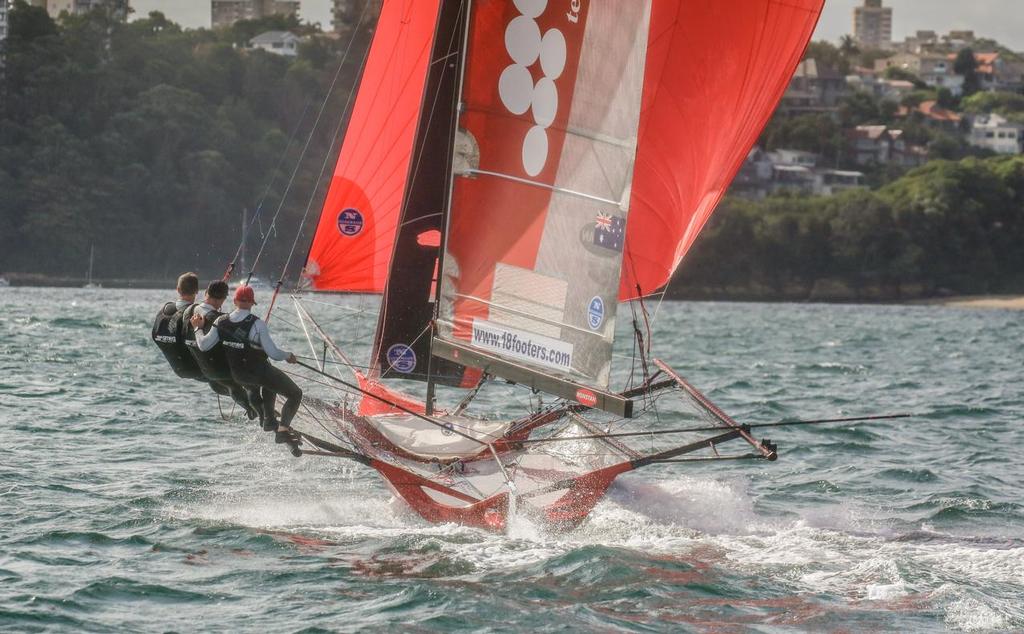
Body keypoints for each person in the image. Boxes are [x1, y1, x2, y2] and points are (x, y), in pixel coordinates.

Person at [193, 285, 303, 453]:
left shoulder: (220, 321)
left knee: (261, 386)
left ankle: (268, 420)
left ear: (234, 301)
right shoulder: (257, 324)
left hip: (239, 375)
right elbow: (273, 353)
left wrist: (197, 328)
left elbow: (203, 345)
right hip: (259, 373)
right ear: (252, 303)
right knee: (295, 394)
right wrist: (288, 356)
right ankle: (283, 430)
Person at [183, 280, 261, 423]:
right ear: (224, 299)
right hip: (222, 369)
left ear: (206, 293)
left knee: (231, 386)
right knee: (253, 381)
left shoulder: (190, 310)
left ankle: (252, 409)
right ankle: (264, 414)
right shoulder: (220, 319)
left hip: (205, 371)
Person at [152, 272, 204, 381]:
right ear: (197, 291)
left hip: (178, 369)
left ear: (178, 289)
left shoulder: (165, 309)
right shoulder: (197, 314)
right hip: (197, 369)